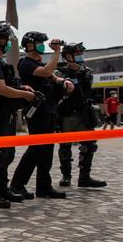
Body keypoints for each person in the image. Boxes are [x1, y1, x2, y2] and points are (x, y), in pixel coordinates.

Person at [10, 31, 74, 200]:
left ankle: (44, 187)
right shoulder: (26, 63)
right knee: (35, 149)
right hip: (38, 111)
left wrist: (65, 81)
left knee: (46, 150)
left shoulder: (38, 62)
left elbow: (53, 77)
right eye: (38, 42)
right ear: (29, 45)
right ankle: (17, 184)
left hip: (50, 109)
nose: (42, 45)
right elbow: (46, 72)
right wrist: (57, 52)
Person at [0, 21, 35, 208]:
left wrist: (22, 87)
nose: (8, 42)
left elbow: (8, 84)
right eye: (5, 39)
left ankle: (2, 189)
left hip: (6, 114)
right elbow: (1, 89)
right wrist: (24, 94)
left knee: (7, 154)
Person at [56, 43, 107, 188]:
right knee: (65, 146)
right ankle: (66, 176)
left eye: (80, 54)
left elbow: (88, 86)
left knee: (89, 145)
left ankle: (85, 177)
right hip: (67, 115)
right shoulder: (60, 73)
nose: (80, 57)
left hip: (84, 114)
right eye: (76, 54)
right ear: (67, 56)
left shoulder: (86, 72)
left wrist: (81, 72)